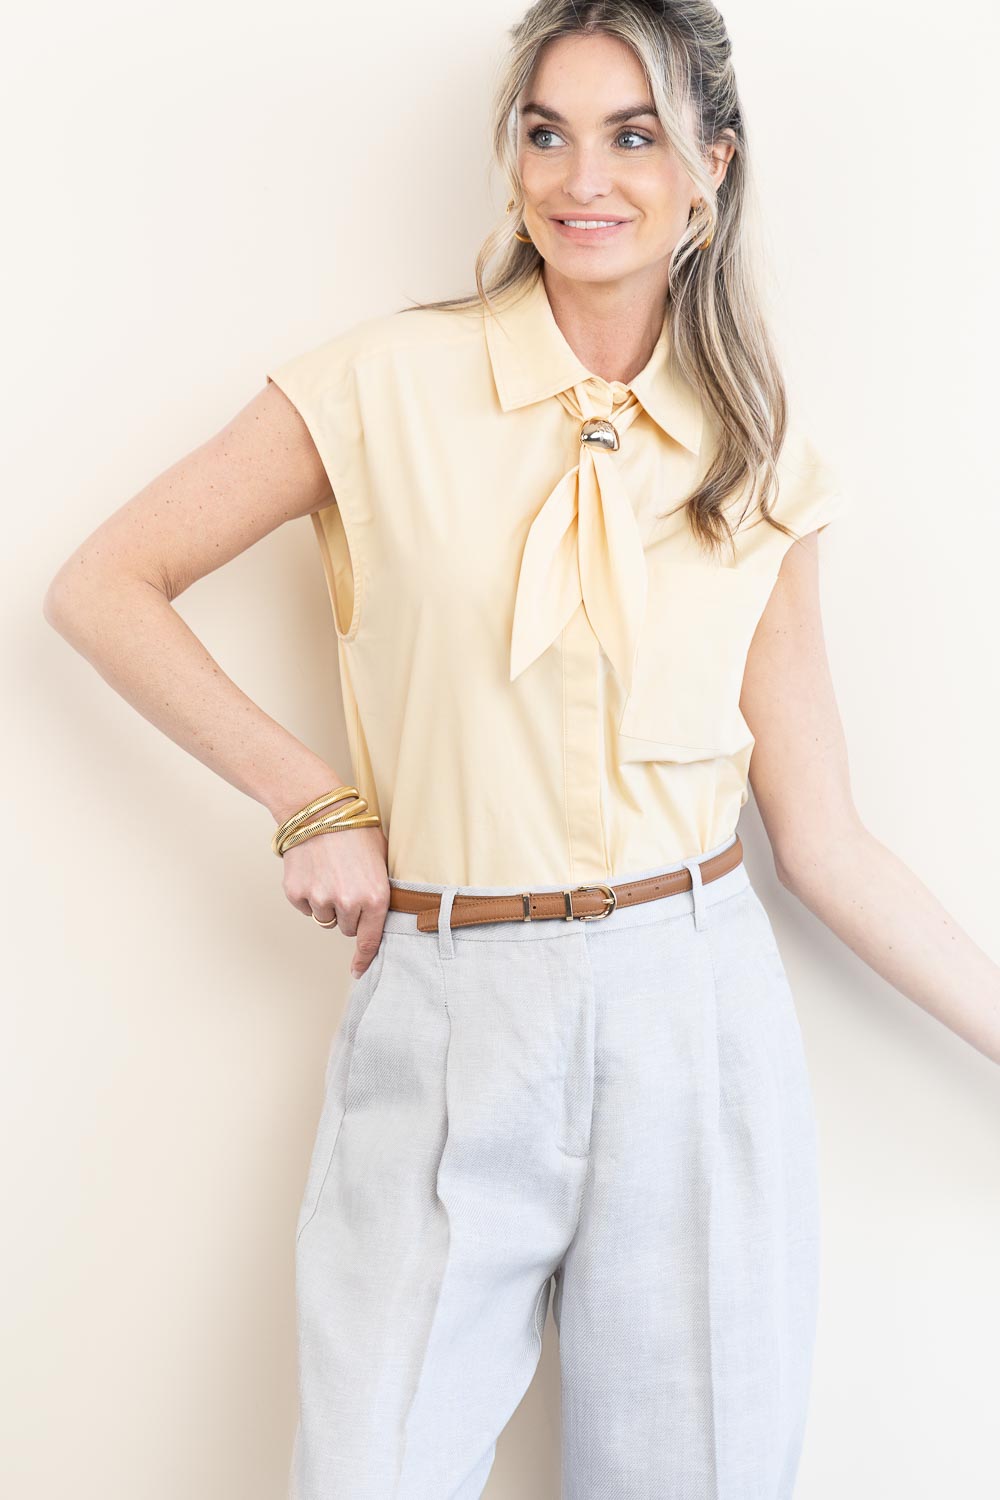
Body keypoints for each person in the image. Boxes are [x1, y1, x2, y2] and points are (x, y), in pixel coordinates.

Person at [42, 1, 1000, 1497]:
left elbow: (822, 840)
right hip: (448, 999)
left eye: (633, 135)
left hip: (693, 1010)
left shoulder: (755, 455)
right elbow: (103, 584)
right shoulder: (375, 388)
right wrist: (311, 798)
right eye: (547, 133)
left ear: (712, 169)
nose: (582, 178)